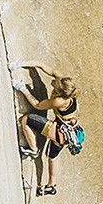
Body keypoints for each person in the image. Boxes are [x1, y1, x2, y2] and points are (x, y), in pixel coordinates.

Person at [13, 60, 79, 196]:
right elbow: (42, 65)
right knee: (52, 157)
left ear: (59, 91)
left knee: (26, 119)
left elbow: (38, 105)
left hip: (60, 131)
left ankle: (33, 149)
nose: (54, 81)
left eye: (56, 83)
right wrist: (20, 64)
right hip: (68, 130)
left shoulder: (59, 101)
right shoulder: (63, 82)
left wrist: (22, 88)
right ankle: (51, 186)